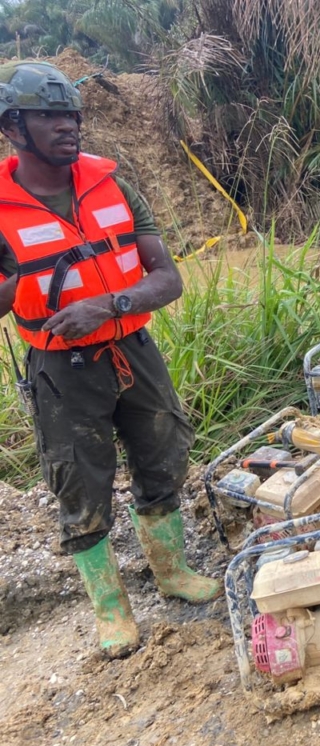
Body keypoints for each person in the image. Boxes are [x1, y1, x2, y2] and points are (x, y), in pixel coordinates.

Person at [0, 62, 221, 659]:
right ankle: (110, 608)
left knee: (164, 453)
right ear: (13, 128)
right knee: (78, 481)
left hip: (133, 350)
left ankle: (172, 572)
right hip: (62, 372)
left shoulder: (113, 187)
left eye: (72, 115)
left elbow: (167, 277)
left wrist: (110, 305)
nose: (68, 126)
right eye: (50, 116)